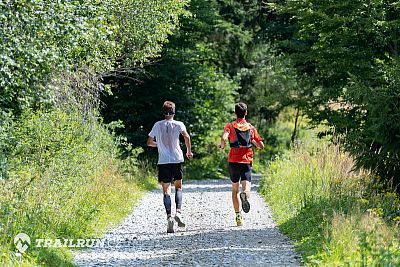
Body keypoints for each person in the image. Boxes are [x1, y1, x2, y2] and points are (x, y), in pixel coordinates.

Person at [147, 101, 193, 233]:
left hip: (163, 161)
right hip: (177, 159)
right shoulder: (179, 124)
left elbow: (149, 142)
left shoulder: (157, 125)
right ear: (174, 112)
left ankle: (169, 218)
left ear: (163, 111)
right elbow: (187, 136)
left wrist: (160, 145)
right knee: (178, 186)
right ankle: (178, 212)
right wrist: (188, 151)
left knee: (166, 191)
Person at [219, 102, 264, 226]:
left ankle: (238, 216)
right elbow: (261, 146)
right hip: (246, 160)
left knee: (234, 189)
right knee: (247, 186)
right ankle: (245, 195)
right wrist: (256, 144)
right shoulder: (251, 127)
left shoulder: (230, 126)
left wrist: (222, 146)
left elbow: (224, 138)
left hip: (233, 160)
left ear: (235, 113)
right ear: (246, 113)